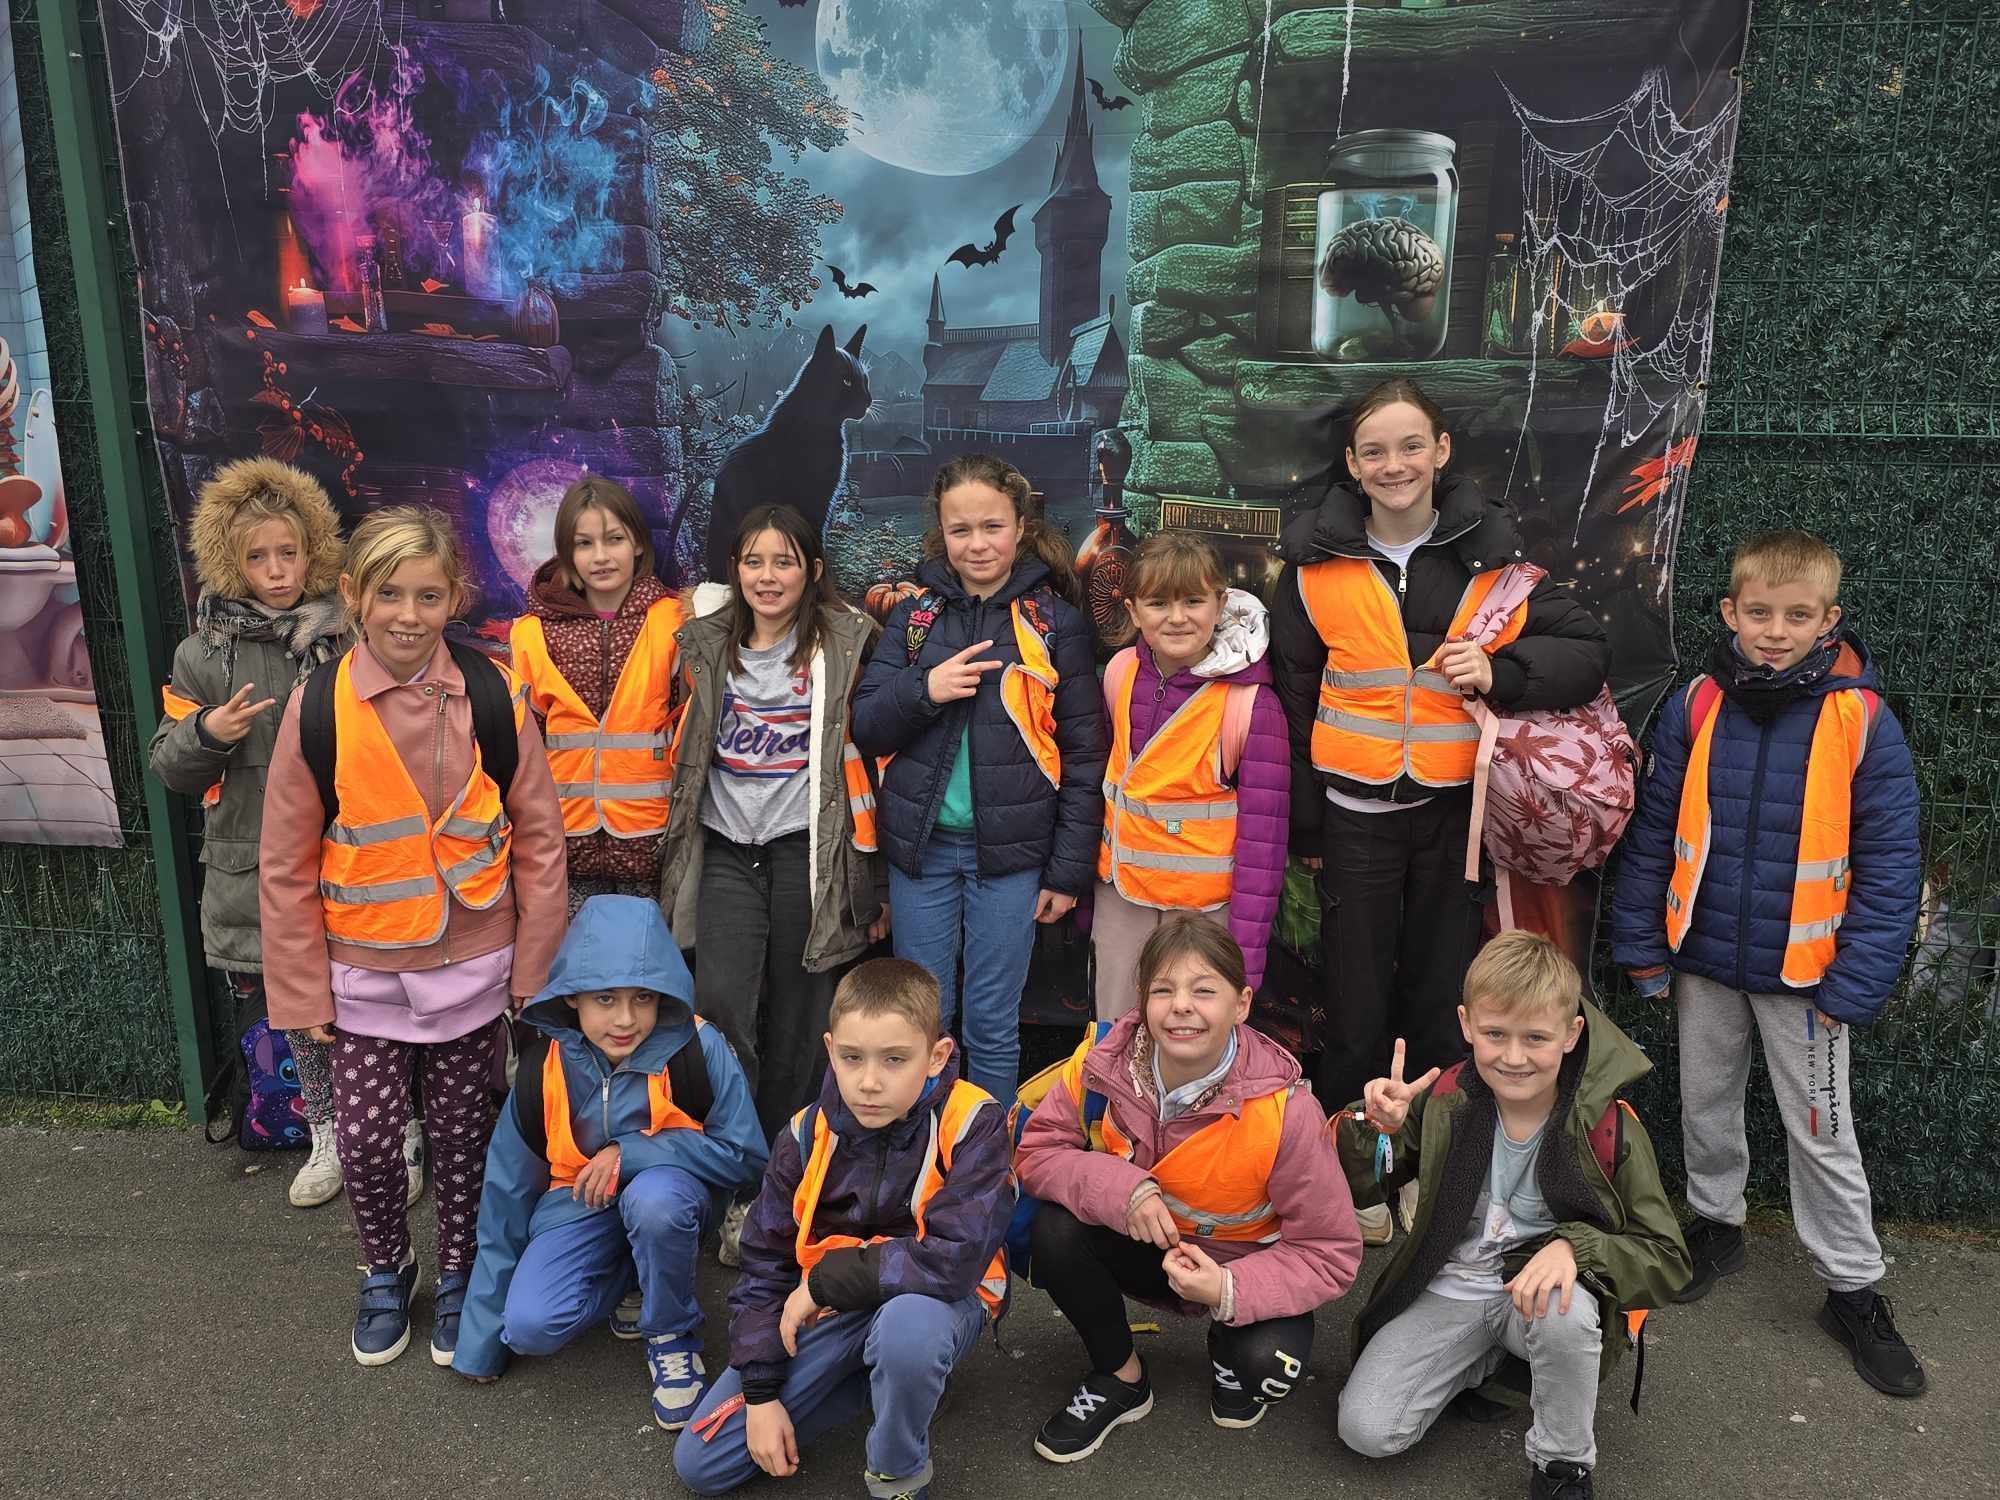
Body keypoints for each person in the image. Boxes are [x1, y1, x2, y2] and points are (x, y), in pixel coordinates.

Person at [1269, 378, 1608, 1244]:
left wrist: (1503, 673)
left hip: (1455, 816)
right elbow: (1293, 697)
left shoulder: (1491, 557)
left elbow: (1586, 650)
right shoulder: (1312, 568)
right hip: (1353, 814)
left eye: (1411, 445)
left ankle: (1428, 1169)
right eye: (1375, 451)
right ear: (1352, 465)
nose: (1395, 465)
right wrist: (1308, 827)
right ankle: (1356, 1177)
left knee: (1439, 1001)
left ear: (1442, 451)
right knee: (1352, 1005)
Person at [1610, 529, 1926, 1397]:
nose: (1775, 631)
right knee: (1705, 1103)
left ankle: (1853, 1290)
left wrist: (1856, 981)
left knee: (1822, 1131)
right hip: (1705, 959)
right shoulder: (1697, 704)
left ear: (1829, 620)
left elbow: (1892, 862)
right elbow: (1654, 829)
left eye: (1796, 616)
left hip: (1811, 979)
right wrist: (1641, 944)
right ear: (1731, 613)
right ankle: (1716, 1227)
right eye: (1759, 613)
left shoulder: (1861, 717)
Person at [259, 505, 568, 1367]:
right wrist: (302, 991)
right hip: (362, 974)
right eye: (389, 593)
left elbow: (540, 839)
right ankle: (386, 1269)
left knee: (466, 1137)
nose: (407, 614)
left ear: (454, 598)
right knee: (366, 1142)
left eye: (428, 596)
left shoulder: (492, 695)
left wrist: (533, 966)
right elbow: (284, 862)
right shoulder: (318, 706)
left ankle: (462, 1269)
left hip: (473, 968)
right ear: (353, 594)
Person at [1334, 932, 1689, 1500]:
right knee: (1366, 1432)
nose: (1514, 1057)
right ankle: (1484, 1363)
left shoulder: (1608, 1125)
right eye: (1495, 1033)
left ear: (1571, 1034)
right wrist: (1374, 1127)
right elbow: (1365, 1181)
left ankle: (1562, 1467)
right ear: (1466, 1024)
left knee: (1565, 1313)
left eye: (1536, 1038)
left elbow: (1668, 1260)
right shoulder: (1445, 1099)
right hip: (1451, 1290)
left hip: (1539, 1298)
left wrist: (1575, 1247)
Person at [1016, 915, 1361, 1463]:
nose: (1181, 1006)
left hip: (1239, 1266)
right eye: (1163, 990)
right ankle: (1121, 1377)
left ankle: (1229, 1343)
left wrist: (1227, 1289)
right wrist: (1124, 1189)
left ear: (1241, 1004)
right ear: (1142, 998)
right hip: (1149, 1248)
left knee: (1268, 1368)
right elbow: (1036, 1154)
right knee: (1053, 1229)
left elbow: (1330, 1253)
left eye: (1204, 991)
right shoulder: (1099, 1064)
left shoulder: (1288, 1109)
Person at [672, 958, 1013, 1500]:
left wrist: (824, 1283)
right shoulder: (805, 1132)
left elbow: (954, 1257)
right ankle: (893, 1385)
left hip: (935, 1302)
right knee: (702, 1464)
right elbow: (763, 1263)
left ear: (936, 1056)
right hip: (835, 1311)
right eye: (852, 1058)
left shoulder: (975, 1121)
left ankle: (897, 1474)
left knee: (907, 1334)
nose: (869, 1082)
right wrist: (760, 1392)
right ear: (830, 1050)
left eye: (895, 1059)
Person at [661, 503, 888, 1267]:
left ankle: (780, 1186)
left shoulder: (847, 642)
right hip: (728, 851)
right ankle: (732, 1174)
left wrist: (871, 883)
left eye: (784, 561)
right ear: (735, 570)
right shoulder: (704, 640)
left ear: (812, 572)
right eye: (754, 561)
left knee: (800, 1022)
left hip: (805, 854)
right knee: (722, 1012)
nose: (768, 576)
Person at [452, 895, 767, 1429]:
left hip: (670, 1202)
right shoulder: (544, 1065)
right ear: (573, 996)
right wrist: (480, 1341)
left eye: (643, 997)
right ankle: (633, 1277)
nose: (625, 1019)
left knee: (655, 1201)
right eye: (605, 998)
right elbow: (506, 1196)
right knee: (529, 1327)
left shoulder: (698, 1047)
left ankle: (671, 1331)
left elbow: (745, 1157)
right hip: (577, 1206)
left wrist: (633, 1151)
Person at [851, 454, 1107, 1098]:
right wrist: (925, 689)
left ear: (1020, 526)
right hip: (923, 853)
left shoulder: (1054, 624)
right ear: (941, 532)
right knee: (922, 1020)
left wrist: (1066, 872)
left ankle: (986, 1146)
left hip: (1011, 859)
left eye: (992, 527)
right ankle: (923, 1141)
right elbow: (868, 726)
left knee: (993, 1023)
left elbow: (1084, 756)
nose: (977, 544)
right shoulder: (915, 618)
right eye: (960, 530)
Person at [149, 457, 361, 1209]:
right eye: (258, 557)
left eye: (289, 553)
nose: (276, 571)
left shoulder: (349, 634)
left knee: (371, 998)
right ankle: (325, 1135)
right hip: (259, 865)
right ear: (229, 563)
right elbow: (168, 765)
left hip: (352, 857)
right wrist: (209, 731)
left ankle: (391, 1130)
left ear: (313, 552)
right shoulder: (204, 653)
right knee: (298, 1009)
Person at [1093, 532, 1290, 1017]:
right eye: (1158, 603)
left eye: (1193, 601)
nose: (1177, 617)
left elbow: (1264, 845)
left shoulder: (1251, 705)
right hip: (1122, 900)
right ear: (1134, 612)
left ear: (1219, 605)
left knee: (1192, 1034)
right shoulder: (1118, 674)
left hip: (1204, 915)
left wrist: (1245, 959)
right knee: (1115, 1033)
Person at [509, 475, 684, 917]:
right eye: (584, 544)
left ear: (638, 544)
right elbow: (522, 748)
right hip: (564, 848)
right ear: (565, 553)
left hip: (653, 848)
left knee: (645, 959)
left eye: (614, 539)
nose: (601, 556)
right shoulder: (531, 633)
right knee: (576, 960)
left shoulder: (673, 622)